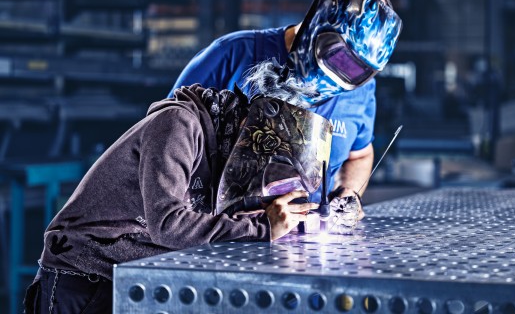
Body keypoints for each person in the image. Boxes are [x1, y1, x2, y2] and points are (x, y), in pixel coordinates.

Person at [23, 83, 323, 314]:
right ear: (249, 122)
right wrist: (262, 229)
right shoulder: (178, 124)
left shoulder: (219, 152)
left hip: (123, 277)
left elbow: (210, 219)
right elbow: (168, 224)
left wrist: (277, 219)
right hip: (82, 281)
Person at [169, 0, 402, 212]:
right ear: (320, 20)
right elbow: (163, 135)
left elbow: (360, 155)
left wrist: (349, 195)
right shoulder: (231, 54)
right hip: (215, 234)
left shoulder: (360, 89)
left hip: (306, 241)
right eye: (336, 55)